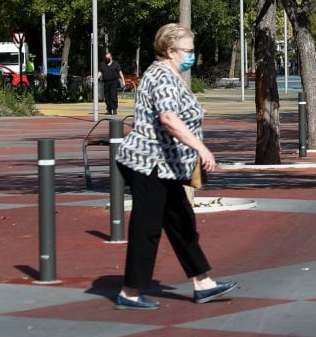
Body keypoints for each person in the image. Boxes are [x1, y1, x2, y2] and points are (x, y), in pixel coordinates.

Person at [113, 23, 236, 310]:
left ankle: (202, 283)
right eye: (188, 51)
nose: (192, 55)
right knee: (148, 227)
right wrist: (201, 148)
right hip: (149, 164)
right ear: (169, 51)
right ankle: (129, 292)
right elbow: (169, 119)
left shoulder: (169, 75)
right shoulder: (163, 78)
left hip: (165, 167)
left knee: (181, 223)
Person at [97, 51, 125, 115]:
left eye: (108, 57)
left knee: (113, 96)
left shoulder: (116, 64)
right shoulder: (102, 64)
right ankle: (109, 110)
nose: (107, 59)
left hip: (114, 82)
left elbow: (120, 73)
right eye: (106, 57)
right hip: (106, 82)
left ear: (111, 57)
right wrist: (96, 78)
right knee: (107, 97)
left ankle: (114, 109)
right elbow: (100, 72)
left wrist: (123, 81)